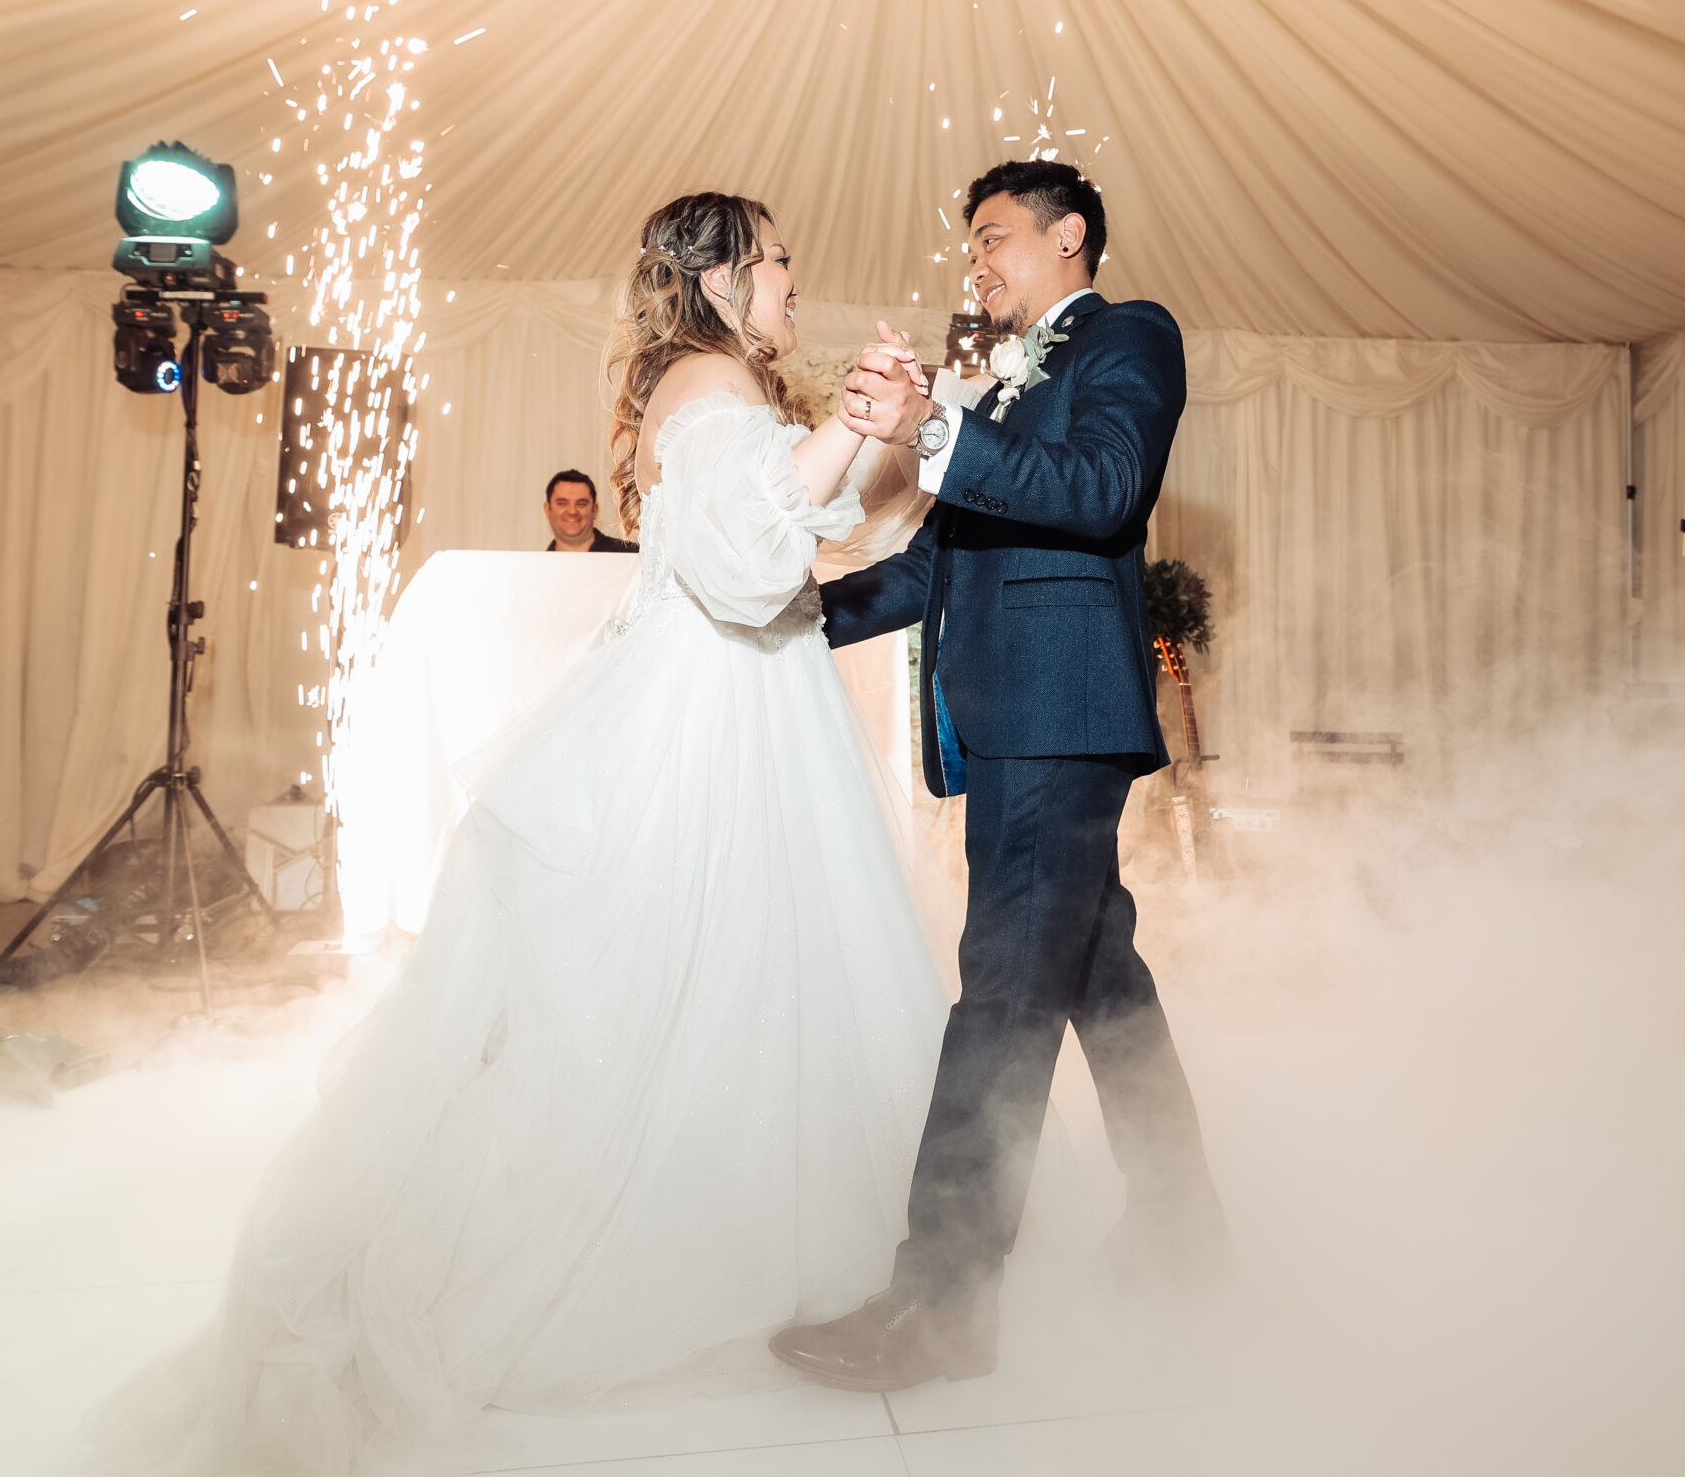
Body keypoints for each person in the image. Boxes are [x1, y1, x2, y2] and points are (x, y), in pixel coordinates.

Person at [132, 192, 947, 1473]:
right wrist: (847, 429)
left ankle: (774, 1234)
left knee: (749, 984)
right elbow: (747, 571)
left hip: (746, 701)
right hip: (713, 721)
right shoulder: (706, 389)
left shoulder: (723, 391)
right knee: (699, 984)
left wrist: (886, 428)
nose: (795, 280)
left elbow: (826, 530)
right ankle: (646, 1260)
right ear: (725, 285)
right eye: (777, 262)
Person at [771, 158, 1229, 1392]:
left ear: (1067, 235)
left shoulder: (1129, 336)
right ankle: (1186, 1238)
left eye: (993, 237)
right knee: (1099, 985)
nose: (975, 261)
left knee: (1002, 999)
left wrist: (931, 428)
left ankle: (943, 1304)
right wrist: (795, 616)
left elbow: (1102, 492)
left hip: (1057, 715)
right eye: (969, 244)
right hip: (1022, 718)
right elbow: (946, 568)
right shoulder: (1010, 386)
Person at [542, 468, 637, 552]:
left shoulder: (634, 556)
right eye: (562, 503)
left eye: (581, 504)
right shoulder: (537, 567)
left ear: (594, 510)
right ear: (547, 509)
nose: (572, 511)